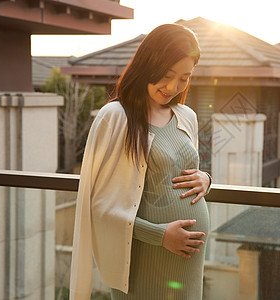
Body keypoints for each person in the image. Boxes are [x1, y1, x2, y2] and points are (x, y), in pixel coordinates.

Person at [69, 23, 211, 300]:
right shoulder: (115, 117)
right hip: (144, 258)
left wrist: (206, 179)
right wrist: (160, 235)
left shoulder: (186, 116)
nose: (173, 87)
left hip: (188, 263)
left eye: (184, 77)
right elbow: (97, 205)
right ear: (148, 65)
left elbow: (181, 174)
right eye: (167, 75)